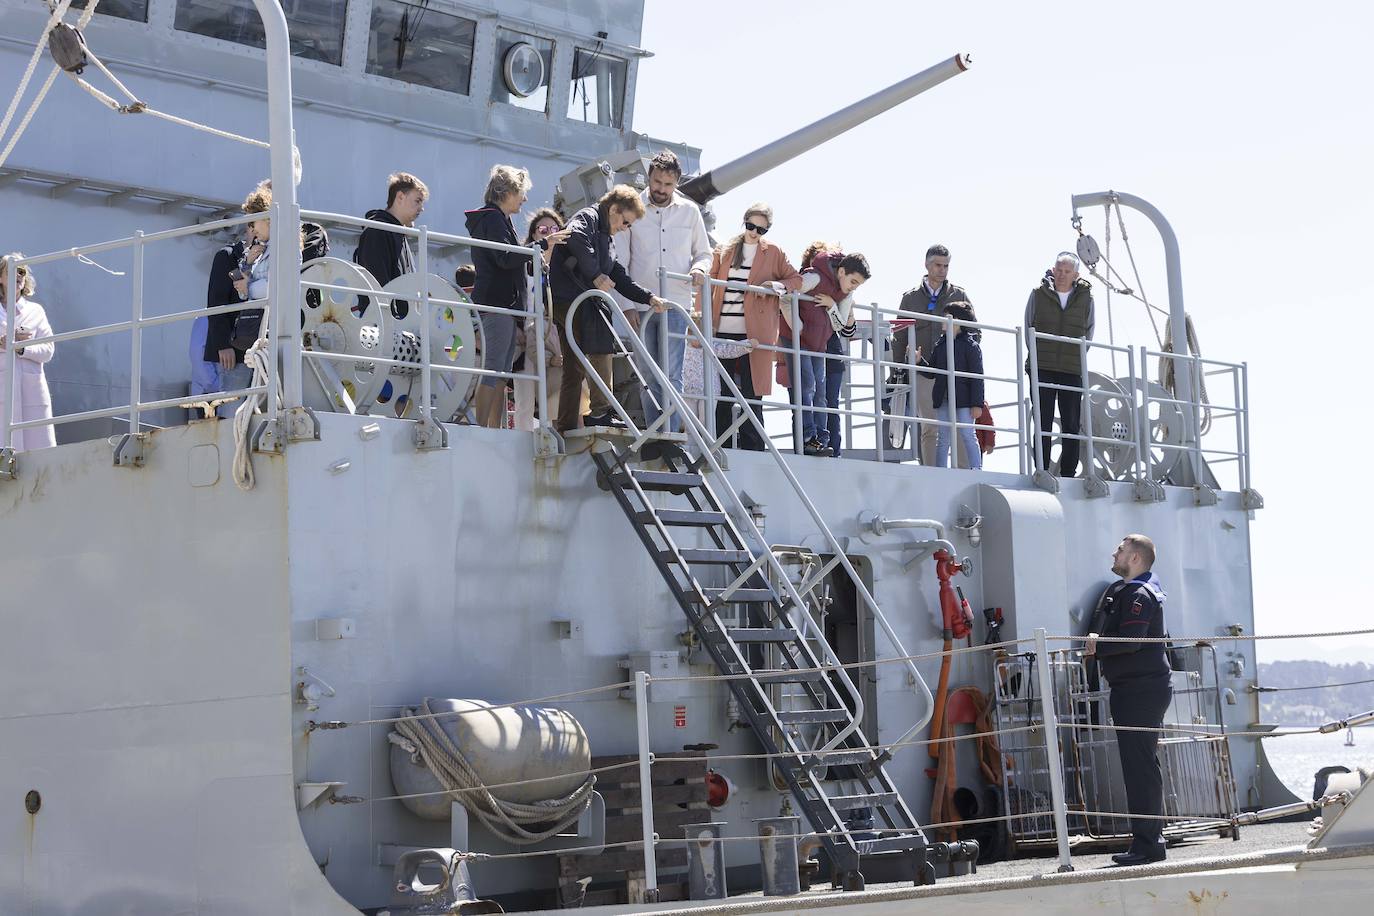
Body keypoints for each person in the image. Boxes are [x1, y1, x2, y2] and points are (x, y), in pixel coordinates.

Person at [549, 184, 668, 432]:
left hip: (579, 299)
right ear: (614, 209)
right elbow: (576, 237)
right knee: (599, 349)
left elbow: (617, 274)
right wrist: (595, 275)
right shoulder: (588, 218)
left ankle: (567, 425)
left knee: (574, 366)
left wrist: (647, 297)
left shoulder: (606, 237)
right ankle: (601, 411)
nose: (625, 228)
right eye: (625, 222)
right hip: (573, 298)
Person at [1084, 534, 1172, 866]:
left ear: (1135, 558)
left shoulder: (1138, 593)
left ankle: (1148, 845)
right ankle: (1147, 841)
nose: (1114, 553)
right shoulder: (1137, 590)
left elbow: (1132, 640)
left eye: (1120, 550)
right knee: (1141, 767)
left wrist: (1096, 644)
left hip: (1140, 690)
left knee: (1140, 769)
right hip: (1136, 688)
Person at [619, 150, 712, 433]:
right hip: (640, 302)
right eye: (657, 182)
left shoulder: (690, 212)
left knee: (672, 373)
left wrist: (700, 270)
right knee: (647, 372)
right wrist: (626, 303)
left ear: (677, 183)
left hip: (676, 303)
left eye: (668, 184)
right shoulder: (632, 209)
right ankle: (657, 431)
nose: (661, 189)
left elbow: (704, 254)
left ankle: (668, 434)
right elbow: (621, 259)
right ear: (649, 177)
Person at [706, 204, 802, 449]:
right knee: (724, 392)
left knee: (752, 392)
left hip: (755, 332)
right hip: (724, 328)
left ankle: (754, 446)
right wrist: (702, 320)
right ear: (744, 221)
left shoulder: (774, 252)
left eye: (761, 229)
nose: (754, 233)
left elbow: (796, 279)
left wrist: (776, 285)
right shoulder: (724, 249)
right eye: (751, 226)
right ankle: (723, 444)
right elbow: (708, 285)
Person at [465, 165, 544, 429]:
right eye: (522, 193)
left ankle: (493, 427)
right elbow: (504, 257)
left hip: (505, 307)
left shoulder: (499, 219)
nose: (525, 199)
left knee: (501, 373)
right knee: (493, 369)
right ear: (507, 191)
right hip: (497, 306)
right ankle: (482, 427)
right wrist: (538, 247)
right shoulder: (492, 219)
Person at [894, 244, 973, 466]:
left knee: (958, 426)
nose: (942, 270)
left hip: (955, 374)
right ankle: (930, 471)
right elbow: (899, 338)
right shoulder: (910, 299)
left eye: (946, 266)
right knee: (930, 426)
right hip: (923, 372)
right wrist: (897, 372)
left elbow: (975, 332)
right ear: (927, 265)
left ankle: (964, 472)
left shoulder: (959, 295)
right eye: (938, 265)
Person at [1024, 252, 1095, 477]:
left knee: (1071, 424)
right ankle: (1042, 469)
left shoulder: (1087, 299)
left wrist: (1077, 355)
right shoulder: (1038, 294)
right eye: (1059, 270)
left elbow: (1089, 332)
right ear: (1053, 270)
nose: (1062, 275)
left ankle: (1068, 473)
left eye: (1067, 272)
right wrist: (1035, 357)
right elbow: (1028, 327)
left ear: (1076, 275)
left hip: (1072, 369)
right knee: (1042, 421)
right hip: (1041, 366)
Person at [794, 250, 867, 456]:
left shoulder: (843, 293)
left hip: (829, 352)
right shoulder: (812, 279)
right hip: (805, 345)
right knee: (807, 391)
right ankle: (809, 440)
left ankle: (830, 446)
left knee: (828, 401)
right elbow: (789, 295)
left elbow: (844, 328)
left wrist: (833, 306)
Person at [511, 208, 570, 432]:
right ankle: (523, 434)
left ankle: (555, 435)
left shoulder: (565, 267)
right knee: (525, 390)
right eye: (543, 230)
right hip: (528, 329)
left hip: (554, 334)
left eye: (554, 229)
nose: (549, 234)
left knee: (556, 389)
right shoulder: (523, 264)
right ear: (534, 235)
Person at [0, 255, 56, 450]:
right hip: (2, 391)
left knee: (39, 453)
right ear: (0, 277)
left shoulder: (36, 311)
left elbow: (48, 350)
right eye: (12, 270)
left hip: (31, 392)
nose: (18, 275)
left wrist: (23, 348)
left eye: (21, 271)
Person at [354, 172, 427, 316]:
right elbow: (378, 282)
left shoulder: (397, 234)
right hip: (383, 322)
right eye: (417, 201)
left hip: (398, 322)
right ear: (400, 197)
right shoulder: (378, 231)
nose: (421, 208)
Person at [928, 303, 985, 470]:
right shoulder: (941, 344)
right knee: (943, 437)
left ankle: (976, 468)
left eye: (946, 317)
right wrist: (918, 362)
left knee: (968, 434)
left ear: (957, 321)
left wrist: (977, 404)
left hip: (964, 400)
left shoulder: (970, 345)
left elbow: (977, 377)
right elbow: (932, 371)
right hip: (943, 398)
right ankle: (941, 469)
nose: (942, 321)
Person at [201, 228, 247, 415]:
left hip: (256, 348)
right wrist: (223, 344)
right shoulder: (227, 257)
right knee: (232, 410)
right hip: (232, 351)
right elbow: (216, 301)